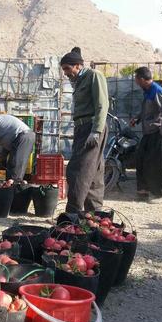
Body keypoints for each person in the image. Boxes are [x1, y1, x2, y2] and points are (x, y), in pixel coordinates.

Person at [60, 47, 109, 214]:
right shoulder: (80, 81)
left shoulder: (94, 76)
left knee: (77, 169)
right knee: (94, 171)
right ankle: (94, 213)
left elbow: (102, 105)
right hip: (82, 127)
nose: (65, 73)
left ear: (78, 66)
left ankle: (72, 213)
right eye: (64, 69)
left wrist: (96, 131)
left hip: (91, 126)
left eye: (67, 68)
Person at [130, 66, 162, 204]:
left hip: (157, 133)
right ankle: (145, 190)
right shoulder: (147, 91)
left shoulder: (157, 90)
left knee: (156, 165)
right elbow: (148, 111)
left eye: (136, 79)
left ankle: (159, 195)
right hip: (149, 133)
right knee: (141, 159)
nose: (136, 82)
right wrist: (137, 118)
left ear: (142, 79)